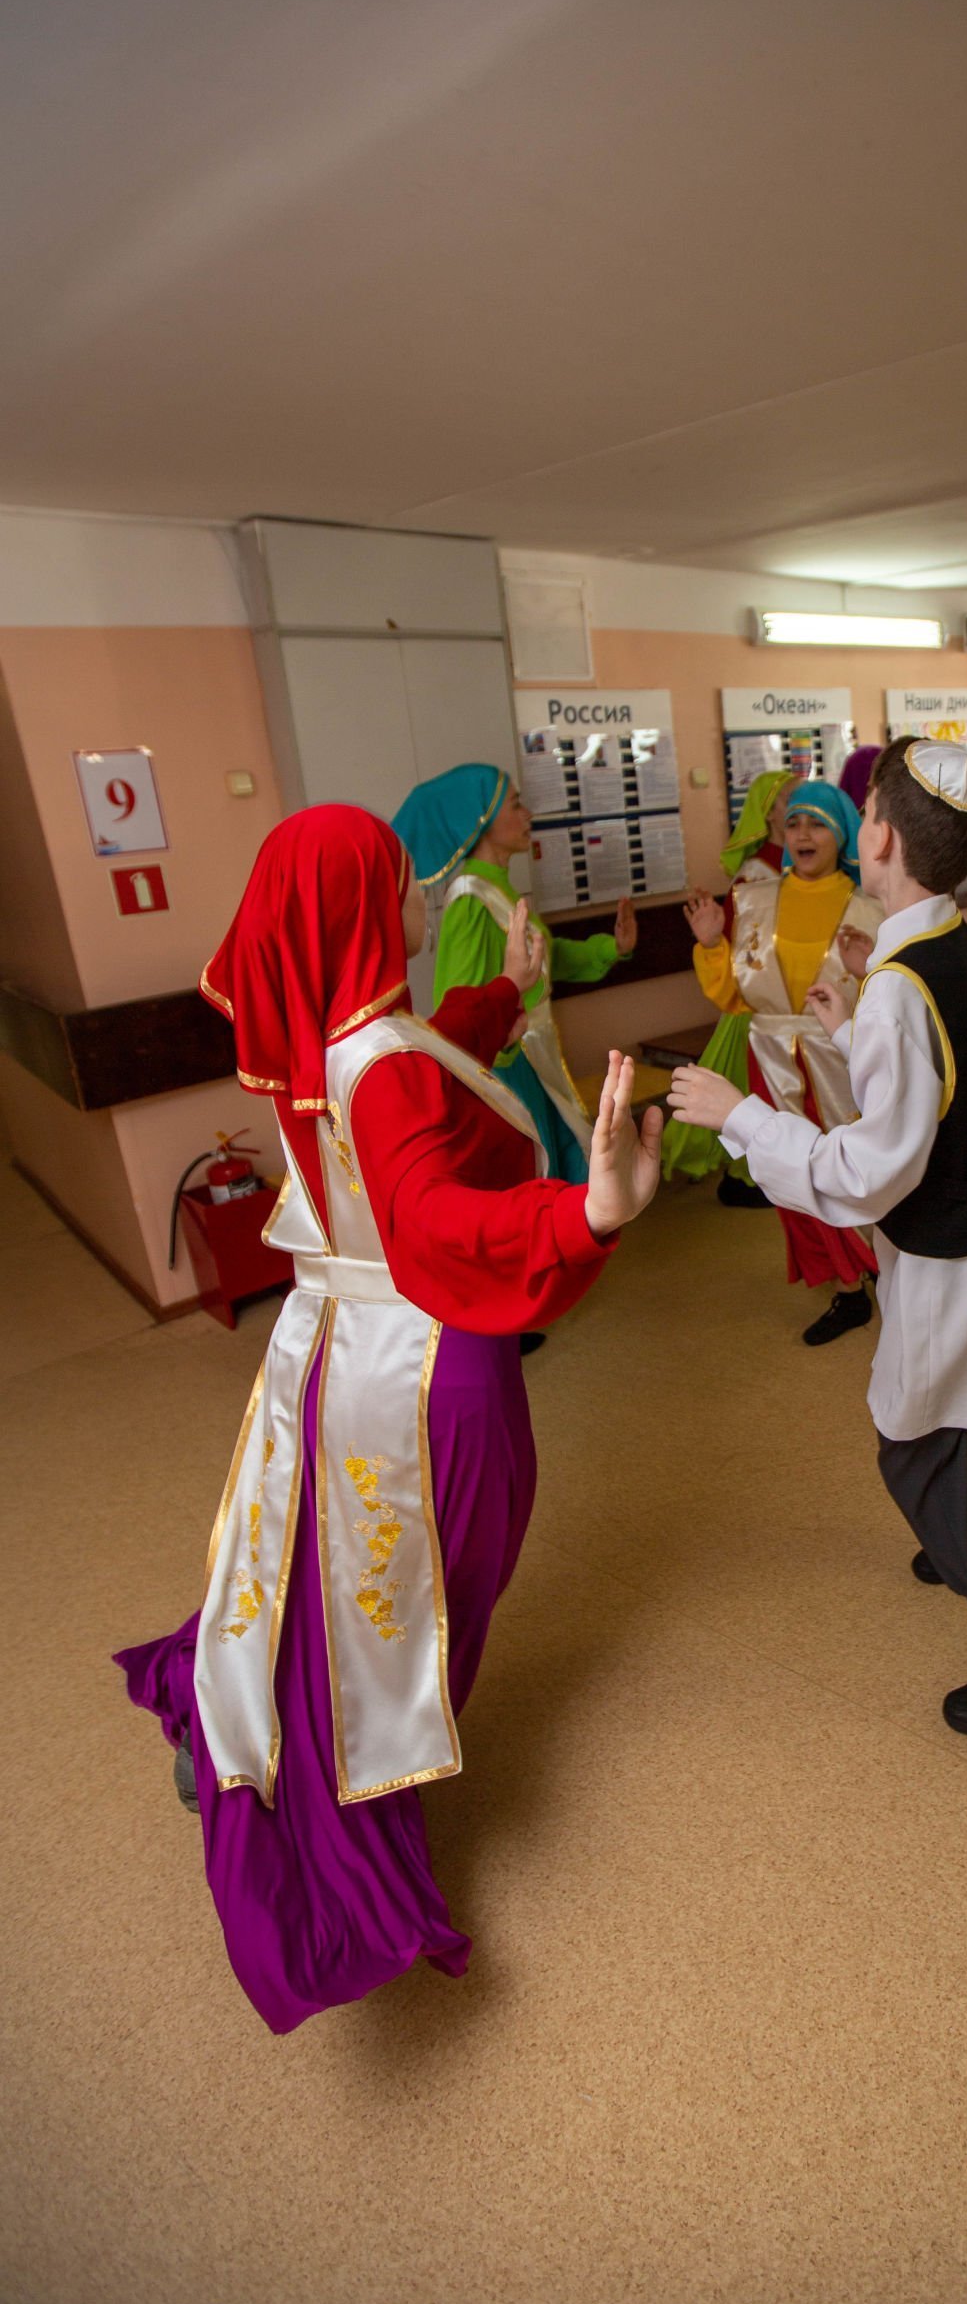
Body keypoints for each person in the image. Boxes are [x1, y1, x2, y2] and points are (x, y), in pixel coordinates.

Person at [114, 806, 660, 2032]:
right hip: (423, 1368)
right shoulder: (381, 1063)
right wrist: (585, 1215)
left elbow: (408, 1079)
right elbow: (432, 1218)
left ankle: (258, 1732)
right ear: (369, 908)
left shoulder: (323, 1033)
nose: (422, 897)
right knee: (420, 1604)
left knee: (320, 1574)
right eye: (407, 880)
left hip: (335, 1347)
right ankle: (334, 1799)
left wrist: (499, 998)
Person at [669, 740, 967, 1734]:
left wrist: (742, 1117)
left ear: (876, 840)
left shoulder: (902, 984)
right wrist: (851, 1024)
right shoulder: (943, 942)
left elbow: (868, 1170)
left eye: (859, 814)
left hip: (946, 1247)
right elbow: (935, 1083)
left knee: (921, 1441)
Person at [682, 779, 884, 1345]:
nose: (802, 833)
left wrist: (869, 973)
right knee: (788, 1173)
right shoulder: (754, 900)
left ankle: (882, 1262)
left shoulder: (870, 908)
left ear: (841, 833)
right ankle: (848, 1288)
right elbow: (733, 997)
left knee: (853, 1168)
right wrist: (711, 944)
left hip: (843, 1058)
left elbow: (893, 998)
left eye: (817, 823)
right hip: (769, 1056)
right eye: (793, 822)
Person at [392, 763, 636, 1185]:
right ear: (482, 819)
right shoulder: (471, 900)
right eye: (516, 804)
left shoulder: (497, 889)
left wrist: (611, 947)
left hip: (532, 1058)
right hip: (507, 1070)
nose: (528, 815)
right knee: (538, 1173)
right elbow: (460, 1004)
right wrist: (500, 1056)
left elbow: (542, 961)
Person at [660, 767, 795, 1202]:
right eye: (790, 799)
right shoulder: (757, 873)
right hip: (759, 1007)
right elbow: (742, 949)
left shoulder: (799, 863)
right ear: (768, 814)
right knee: (757, 1091)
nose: (801, 807)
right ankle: (748, 1176)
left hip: (793, 1005)